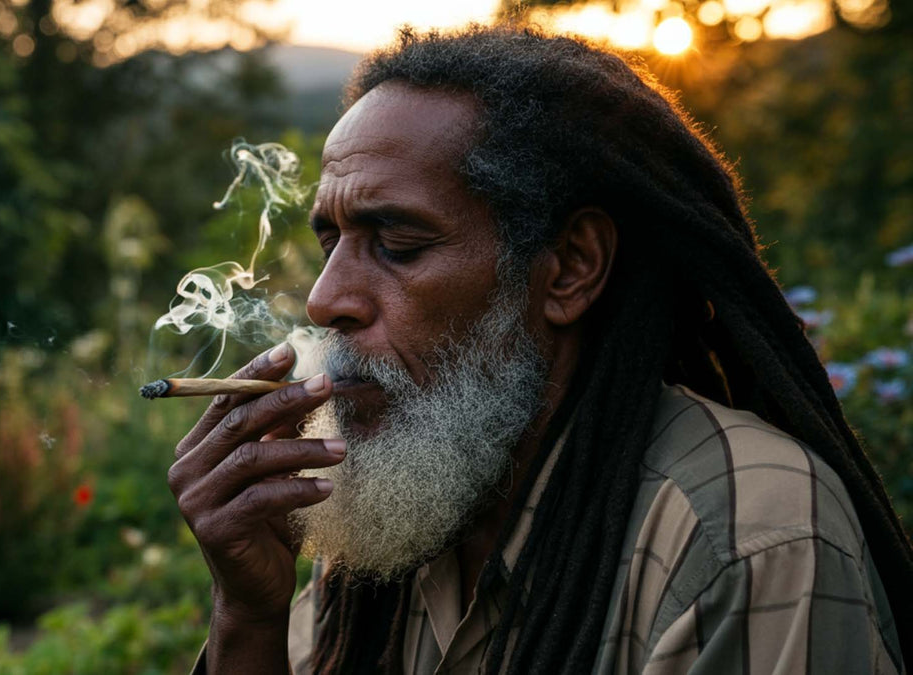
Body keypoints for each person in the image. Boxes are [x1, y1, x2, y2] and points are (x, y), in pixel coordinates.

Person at [165, 25, 912, 674]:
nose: (326, 299)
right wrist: (247, 613)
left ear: (570, 267)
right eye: (331, 243)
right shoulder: (395, 521)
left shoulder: (748, 536)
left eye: (396, 243)